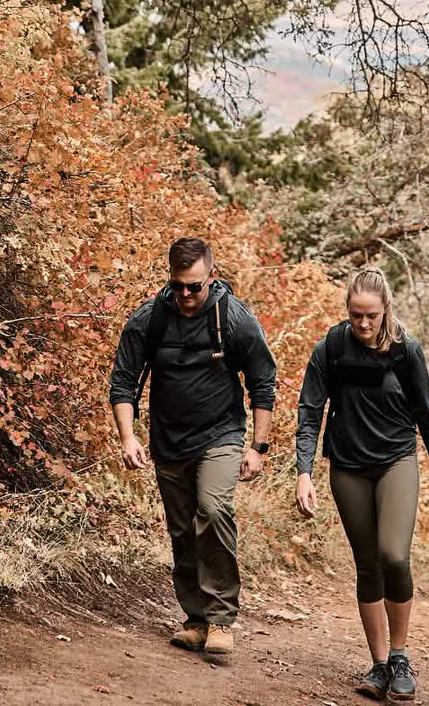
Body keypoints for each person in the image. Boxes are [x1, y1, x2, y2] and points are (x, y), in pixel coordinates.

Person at [295, 268, 429, 701]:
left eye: (371, 316)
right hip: (348, 466)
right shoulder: (331, 347)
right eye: (356, 316)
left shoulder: (406, 351)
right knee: (367, 562)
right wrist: (303, 473)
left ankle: (401, 656)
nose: (364, 324)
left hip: (395, 460)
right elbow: (310, 411)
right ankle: (378, 663)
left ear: (385, 309)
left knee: (393, 555)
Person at [110, 237, 276, 657]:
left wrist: (258, 446)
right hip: (168, 439)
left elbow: (262, 383)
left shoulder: (234, 320)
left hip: (221, 434)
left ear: (212, 278)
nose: (185, 295)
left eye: (195, 286)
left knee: (213, 508)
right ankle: (195, 619)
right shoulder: (150, 319)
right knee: (182, 529)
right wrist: (128, 437)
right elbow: (123, 382)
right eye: (179, 285)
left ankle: (221, 618)